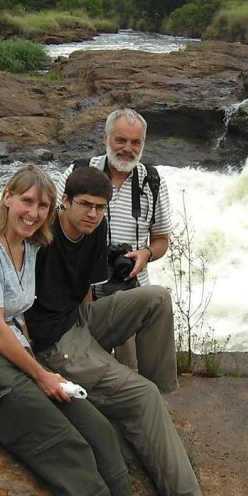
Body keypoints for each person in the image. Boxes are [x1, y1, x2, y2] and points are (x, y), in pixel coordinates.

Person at [0, 164, 176, 496]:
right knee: (66, 444)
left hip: (16, 355)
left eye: (42, 205)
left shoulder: (31, 247)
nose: (33, 212)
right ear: (8, 198)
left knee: (99, 432)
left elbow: (63, 283)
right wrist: (43, 375)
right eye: (27, 201)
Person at [25, 166, 247, 496]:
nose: (92, 214)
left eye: (100, 207)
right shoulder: (41, 239)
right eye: (85, 206)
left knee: (156, 298)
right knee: (138, 394)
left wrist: (95, 335)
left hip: (80, 320)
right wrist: (37, 366)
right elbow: (16, 306)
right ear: (64, 202)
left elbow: (84, 294)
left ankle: (157, 401)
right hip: (54, 343)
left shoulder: (95, 232)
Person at [56, 108, 172, 371]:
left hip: (129, 289)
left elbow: (162, 239)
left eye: (135, 142)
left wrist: (146, 254)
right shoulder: (79, 172)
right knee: (82, 368)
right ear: (105, 137)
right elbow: (54, 228)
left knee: (127, 370)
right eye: (121, 140)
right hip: (78, 293)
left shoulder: (152, 182)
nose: (127, 148)